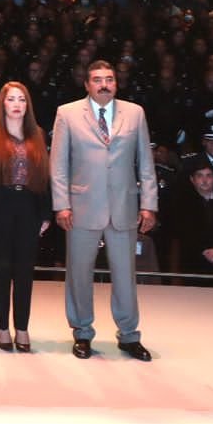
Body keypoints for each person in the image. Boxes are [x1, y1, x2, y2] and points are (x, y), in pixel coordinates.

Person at [51, 60, 158, 361]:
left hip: (124, 206)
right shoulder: (67, 113)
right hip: (82, 206)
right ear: (87, 84)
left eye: (109, 79)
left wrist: (149, 204)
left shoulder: (134, 113)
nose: (104, 85)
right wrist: (61, 204)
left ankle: (129, 335)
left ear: (116, 83)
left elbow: (145, 162)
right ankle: (82, 332)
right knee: (79, 274)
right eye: (97, 80)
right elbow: (58, 164)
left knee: (125, 276)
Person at [0, 81, 51, 352]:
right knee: (2, 269)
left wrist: (46, 213)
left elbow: (45, 176)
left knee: (25, 271)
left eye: (21, 99)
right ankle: (2, 326)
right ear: (2, 103)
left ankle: (22, 327)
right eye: (11, 99)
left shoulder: (37, 133)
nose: (17, 104)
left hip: (29, 206)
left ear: (28, 105)